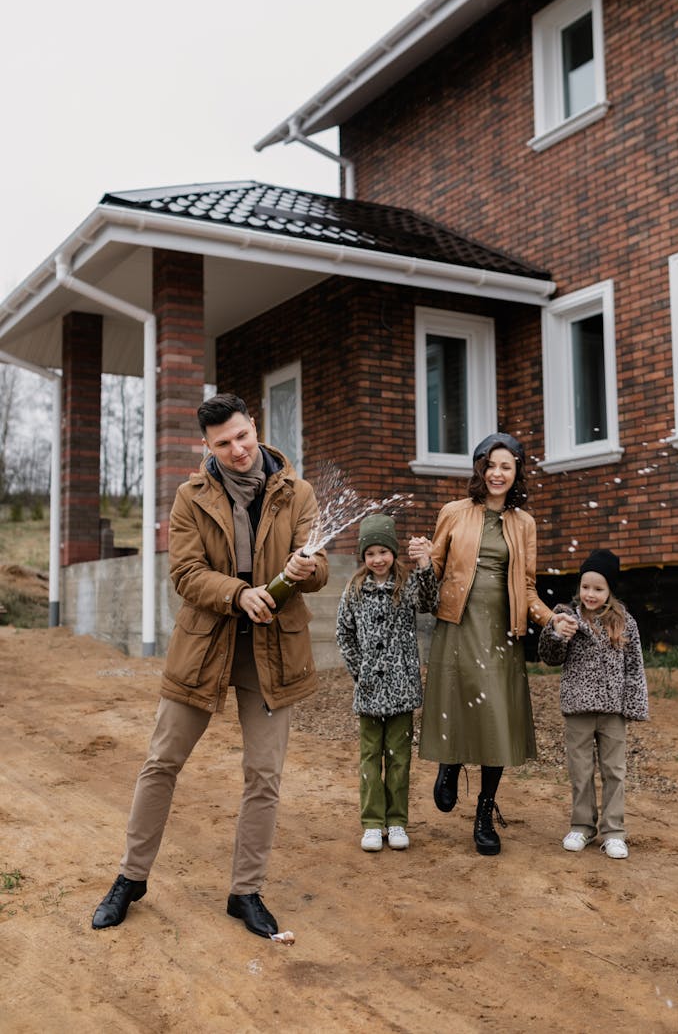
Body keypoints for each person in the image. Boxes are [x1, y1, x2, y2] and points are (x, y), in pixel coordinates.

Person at [91, 393, 328, 937]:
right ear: (207, 446)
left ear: (254, 427)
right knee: (160, 763)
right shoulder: (189, 496)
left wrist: (305, 567)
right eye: (223, 443)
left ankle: (246, 891)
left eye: (242, 436)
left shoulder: (299, 493)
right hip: (203, 648)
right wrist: (238, 594)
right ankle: (131, 878)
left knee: (263, 775)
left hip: (273, 653)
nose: (238, 450)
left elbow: (316, 573)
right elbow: (186, 574)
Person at [419, 432, 575, 856]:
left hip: (503, 632)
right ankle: (449, 765)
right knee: (459, 700)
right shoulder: (453, 512)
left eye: (507, 466)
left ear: (517, 471)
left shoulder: (524, 522)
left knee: (496, 715)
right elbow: (433, 571)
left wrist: (549, 618)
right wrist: (419, 563)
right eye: (491, 465)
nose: (498, 473)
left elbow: (526, 586)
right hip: (457, 623)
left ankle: (485, 813)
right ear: (479, 469)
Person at [538, 548, 649, 859]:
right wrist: (558, 635)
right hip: (578, 710)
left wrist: (634, 705)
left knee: (614, 770)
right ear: (579, 587)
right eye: (585, 587)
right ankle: (582, 825)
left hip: (613, 712)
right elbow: (549, 657)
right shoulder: (566, 618)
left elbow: (634, 667)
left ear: (610, 590)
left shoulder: (625, 623)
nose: (590, 594)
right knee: (581, 770)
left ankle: (613, 831)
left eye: (598, 588)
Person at [336, 514, 438, 853]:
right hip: (368, 690)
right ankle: (371, 822)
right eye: (370, 553)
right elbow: (344, 633)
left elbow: (429, 602)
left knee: (399, 758)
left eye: (383, 551)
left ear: (393, 552)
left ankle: (397, 821)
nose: (377, 559)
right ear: (363, 557)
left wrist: (425, 565)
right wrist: (359, 671)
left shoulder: (406, 586)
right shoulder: (354, 590)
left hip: (401, 689)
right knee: (369, 756)